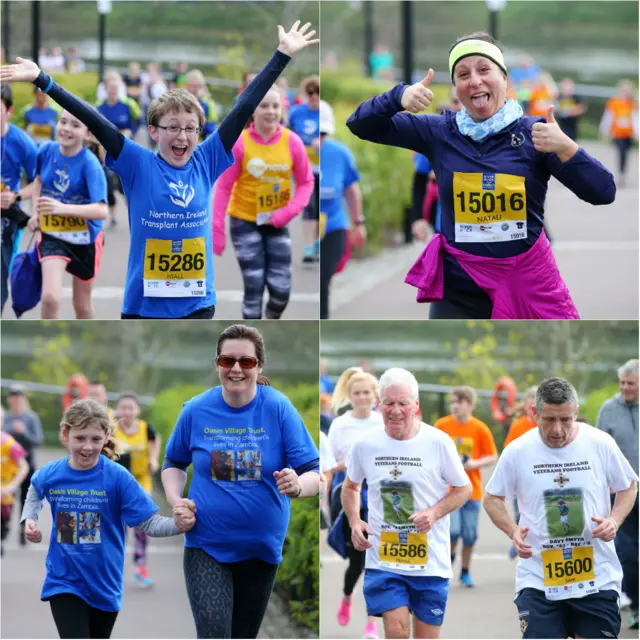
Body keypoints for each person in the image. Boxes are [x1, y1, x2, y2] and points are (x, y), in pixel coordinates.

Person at [0, 21, 318, 320]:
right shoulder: (137, 162)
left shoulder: (207, 159)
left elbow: (244, 107)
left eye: (190, 129)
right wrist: (43, 80)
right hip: (143, 306)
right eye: (173, 128)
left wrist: (282, 55)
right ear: (153, 131)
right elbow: (94, 119)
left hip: (197, 304)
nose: (182, 137)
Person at [346, 32, 616, 320]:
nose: (474, 80)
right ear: (456, 87)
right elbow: (360, 124)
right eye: (463, 74)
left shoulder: (535, 133)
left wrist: (568, 148)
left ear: (504, 79)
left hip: (523, 281)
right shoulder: (440, 132)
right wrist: (397, 96)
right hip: (459, 289)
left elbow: (603, 192)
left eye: (484, 70)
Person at [161, 324, 319, 638]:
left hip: (260, 548)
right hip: (207, 544)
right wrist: (175, 499)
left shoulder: (277, 408)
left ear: (259, 366)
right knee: (215, 633)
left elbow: (315, 471)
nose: (235, 369)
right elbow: (174, 463)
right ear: (216, 364)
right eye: (227, 361)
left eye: (246, 362)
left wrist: (300, 485)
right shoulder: (196, 410)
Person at [20, 398, 195, 639]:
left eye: (95, 439)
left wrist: (178, 525)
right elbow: (34, 490)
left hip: (105, 582)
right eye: (80, 438)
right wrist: (29, 518)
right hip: (63, 580)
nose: (87, 447)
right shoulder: (52, 474)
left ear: (106, 437)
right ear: (65, 435)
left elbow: (149, 523)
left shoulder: (117, 477)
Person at [484, 377, 639, 639]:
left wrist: (614, 520)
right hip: (538, 577)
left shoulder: (599, 444)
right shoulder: (518, 451)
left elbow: (629, 486)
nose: (557, 429)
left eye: (566, 420)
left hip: (596, 577)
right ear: (535, 414)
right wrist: (512, 529)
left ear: (576, 413)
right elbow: (492, 498)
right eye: (549, 420)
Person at [343, 368, 472, 639]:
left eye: (403, 403)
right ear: (379, 405)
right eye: (388, 403)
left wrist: (435, 513)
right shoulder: (365, 445)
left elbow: (463, 488)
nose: (395, 410)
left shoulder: (438, 442)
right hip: (385, 560)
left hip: (430, 562)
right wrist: (355, 521)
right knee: (396, 629)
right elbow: (351, 487)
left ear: (416, 404)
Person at [213, 85, 314, 319]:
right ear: (253, 110)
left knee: (281, 293)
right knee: (254, 285)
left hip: (277, 222)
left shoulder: (293, 142)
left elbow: (306, 183)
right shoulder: (240, 143)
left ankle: (270, 321)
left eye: (275, 106)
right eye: (264, 106)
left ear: (283, 109)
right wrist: (217, 230)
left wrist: (285, 214)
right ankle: (254, 334)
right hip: (244, 220)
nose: (270, 111)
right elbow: (224, 187)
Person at [26, 107, 108, 320]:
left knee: (81, 306)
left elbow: (102, 211)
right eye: (63, 122)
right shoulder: (45, 151)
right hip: (53, 233)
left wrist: (63, 209)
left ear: (87, 134)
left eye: (75, 125)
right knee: (50, 298)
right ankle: (47, 349)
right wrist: (36, 212)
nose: (66, 129)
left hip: (86, 237)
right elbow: (38, 182)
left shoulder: (90, 165)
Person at [327, 367, 383, 639]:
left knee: (376, 561)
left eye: (366, 393)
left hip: (377, 497)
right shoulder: (340, 424)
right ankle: (347, 596)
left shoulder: (382, 422)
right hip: (349, 495)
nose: (362, 397)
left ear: (375, 396)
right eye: (357, 393)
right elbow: (331, 466)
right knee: (357, 563)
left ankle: (371, 623)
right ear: (349, 395)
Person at [433, 386, 497, 587]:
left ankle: (465, 571)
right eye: (452, 402)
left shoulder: (479, 428)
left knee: (470, 535)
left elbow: (493, 455)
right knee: (453, 531)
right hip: (449, 490)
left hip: (472, 490)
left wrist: (473, 464)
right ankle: (448, 561)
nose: (454, 406)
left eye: (459, 402)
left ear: (470, 405)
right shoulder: (442, 425)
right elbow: (431, 450)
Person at [596, 359, 639, 629]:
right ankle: (636, 604)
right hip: (620, 493)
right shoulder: (608, 410)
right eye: (622, 383)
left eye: (631, 383)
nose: (625, 387)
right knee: (626, 552)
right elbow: (597, 451)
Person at [319, 100, 365, 319]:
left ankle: (323, 319)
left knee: (323, 279)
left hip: (334, 225)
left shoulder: (340, 153)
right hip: (304, 227)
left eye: (323, 133)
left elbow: (351, 190)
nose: (318, 138)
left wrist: (358, 223)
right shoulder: (296, 148)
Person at [113, 392, 161, 588]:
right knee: (118, 526)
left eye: (130, 407)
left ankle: (140, 567)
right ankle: (114, 569)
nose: (126, 411)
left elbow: (155, 440)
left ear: (138, 410)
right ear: (117, 410)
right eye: (123, 407)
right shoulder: (112, 430)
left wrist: (153, 459)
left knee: (143, 524)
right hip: (117, 483)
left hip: (141, 482)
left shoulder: (145, 429)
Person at [0, 83, 38, 315]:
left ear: (9, 111)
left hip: (7, 219)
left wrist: (16, 196)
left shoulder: (22, 142)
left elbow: (40, 183)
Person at [96, 70, 141, 227]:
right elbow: (95, 129)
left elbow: (140, 120)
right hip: (106, 153)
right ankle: (112, 217)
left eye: (116, 86)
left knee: (125, 185)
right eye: (110, 86)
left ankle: (135, 215)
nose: (113, 89)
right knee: (108, 184)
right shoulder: (99, 107)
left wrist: (131, 132)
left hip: (125, 152)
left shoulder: (129, 105)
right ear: (105, 87)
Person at [3, 385, 44, 545]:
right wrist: (10, 429)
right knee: (7, 499)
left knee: (26, 499)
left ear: (23, 398)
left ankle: (23, 530)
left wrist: (24, 432)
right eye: (12, 396)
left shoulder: (31, 418)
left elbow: (38, 440)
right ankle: (4, 528)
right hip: (7, 468)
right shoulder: (5, 417)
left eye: (18, 396)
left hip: (27, 464)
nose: (15, 399)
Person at [503, 385, 538, 558]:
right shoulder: (518, 425)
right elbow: (508, 450)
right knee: (520, 514)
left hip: (541, 477)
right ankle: (519, 539)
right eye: (529, 405)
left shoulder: (546, 424)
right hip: (522, 479)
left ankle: (531, 543)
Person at [288, 75, 320, 263]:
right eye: (310, 92)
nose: (314, 96)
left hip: (323, 169)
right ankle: (308, 248)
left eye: (317, 92)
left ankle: (316, 242)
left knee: (319, 209)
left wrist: (321, 142)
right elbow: (287, 135)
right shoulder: (296, 113)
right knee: (309, 206)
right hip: (304, 168)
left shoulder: (325, 114)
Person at [600, 79, 638, 188]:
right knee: (621, 152)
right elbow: (608, 116)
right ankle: (621, 174)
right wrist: (604, 130)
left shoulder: (633, 102)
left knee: (626, 154)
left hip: (629, 133)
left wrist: (637, 132)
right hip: (618, 133)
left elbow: (635, 117)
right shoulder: (613, 102)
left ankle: (623, 173)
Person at [1, 427, 29, 556]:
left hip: (4, 496)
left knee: (3, 523)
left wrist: (12, 486)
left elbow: (24, 467)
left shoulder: (10, 444)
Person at [184, 69, 218, 141]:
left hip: (201, 141)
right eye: (192, 86)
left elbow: (212, 127)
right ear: (186, 86)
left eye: (198, 86)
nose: (195, 90)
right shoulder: (181, 100)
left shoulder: (208, 103)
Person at [555, 78, 586, 142]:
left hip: (572, 126)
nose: (566, 88)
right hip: (561, 125)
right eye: (565, 86)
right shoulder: (558, 97)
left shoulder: (576, 97)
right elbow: (554, 108)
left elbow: (581, 108)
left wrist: (570, 112)